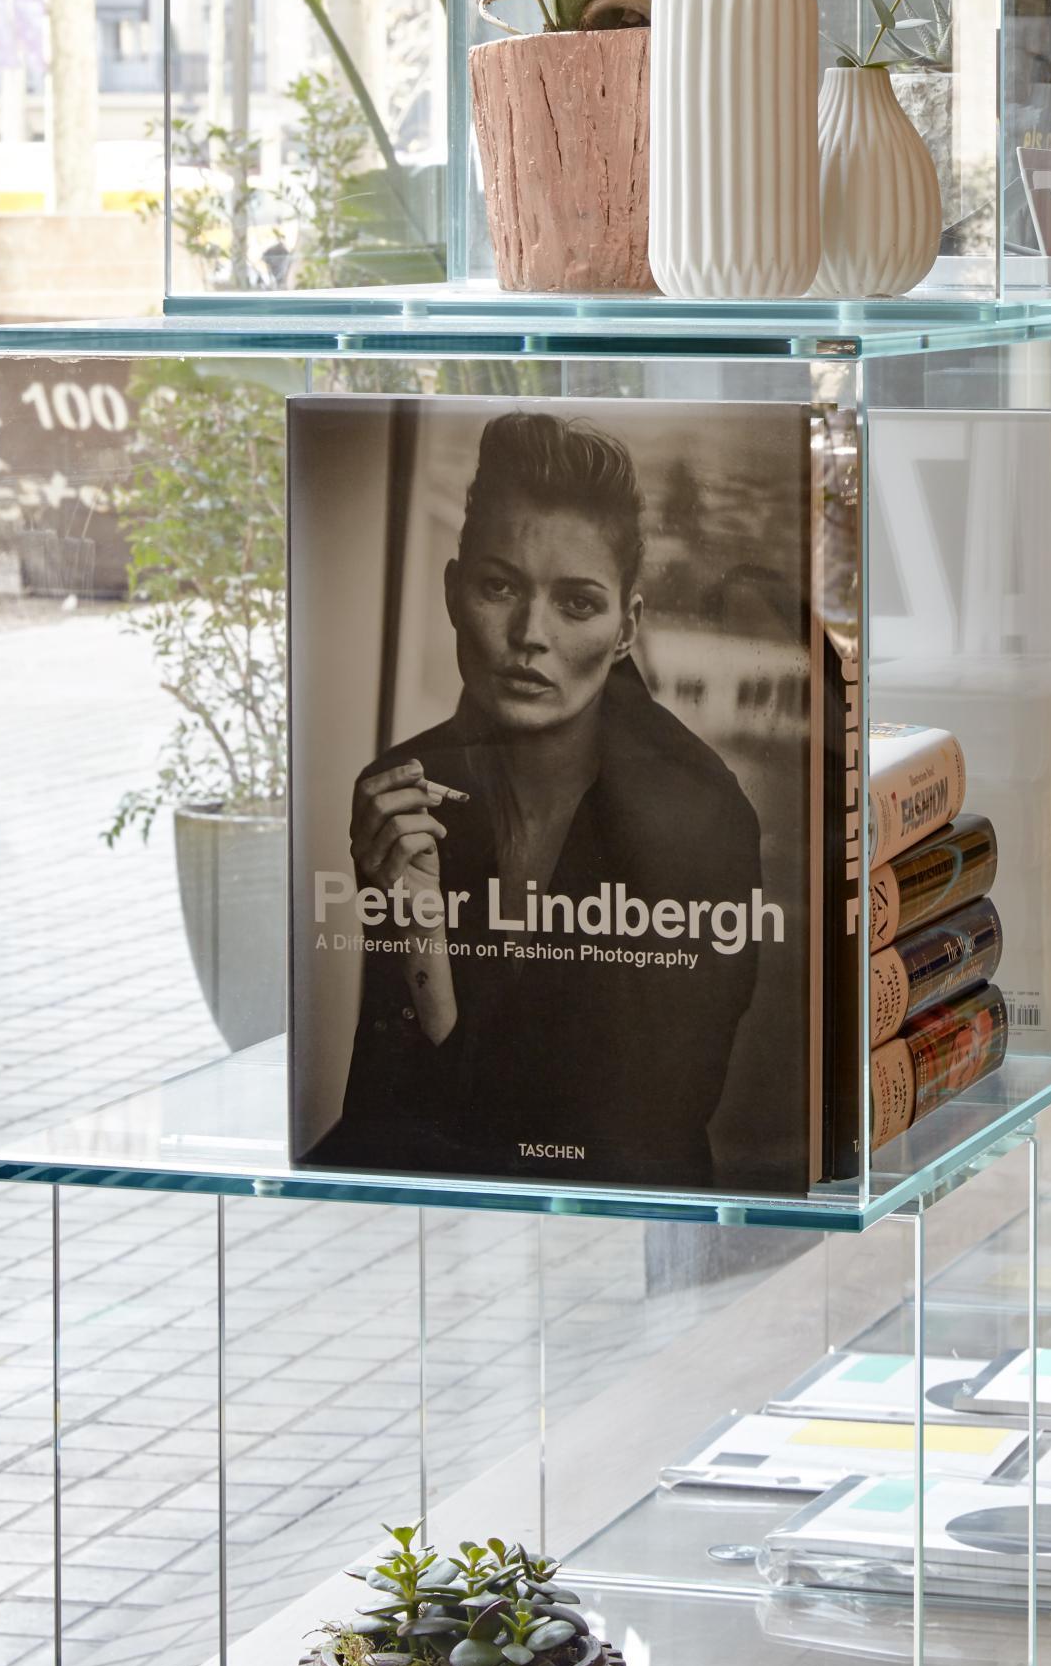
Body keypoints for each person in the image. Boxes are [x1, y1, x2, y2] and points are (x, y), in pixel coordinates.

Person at [308, 411, 767, 1188]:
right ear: (454, 592)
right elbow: (389, 1102)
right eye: (499, 586)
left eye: (577, 604)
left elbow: (637, 1120)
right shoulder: (401, 791)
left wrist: (428, 947)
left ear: (627, 628)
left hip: (632, 1220)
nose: (529, 633)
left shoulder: (700, 814)